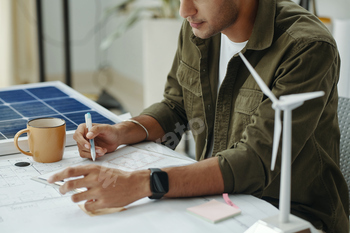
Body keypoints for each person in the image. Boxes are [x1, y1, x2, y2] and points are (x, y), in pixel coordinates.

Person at [48, 0, 349, 232]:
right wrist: (123, 131)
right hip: (220, 200)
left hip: (292, 217)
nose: (183, 10)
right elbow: (179, 109)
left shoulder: (306, 47)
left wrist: (144, 183)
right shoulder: (203, 26)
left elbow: (256, 162)